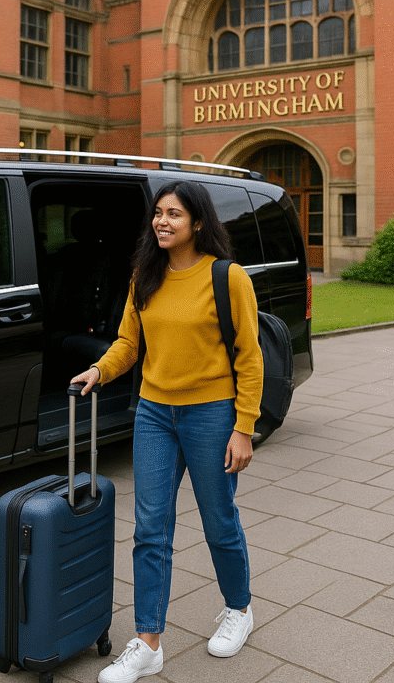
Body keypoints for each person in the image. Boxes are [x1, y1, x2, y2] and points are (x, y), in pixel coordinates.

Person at [71, 180, 262, 683]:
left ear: (197, 222)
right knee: (150, 530)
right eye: (158, 213)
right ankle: (149, 642)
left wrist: (243, 427)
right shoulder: (145, 276)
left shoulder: (228, 277)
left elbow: (250, 355)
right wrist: (100, 370)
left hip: (212, 414)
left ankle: (239, 609)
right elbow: (128, 343)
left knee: (219, 519)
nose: (162, 222)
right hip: (155, 414)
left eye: (174, 214)